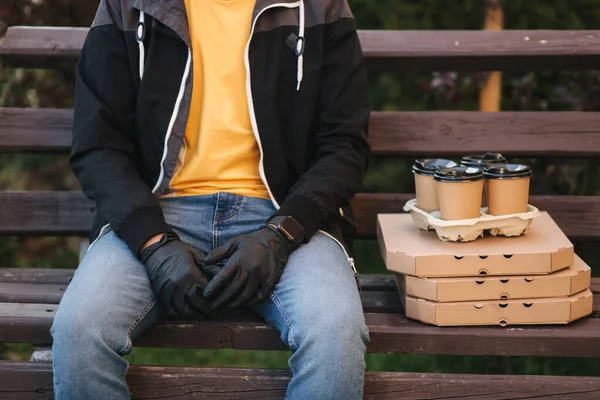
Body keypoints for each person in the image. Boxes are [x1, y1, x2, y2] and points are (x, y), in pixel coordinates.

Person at [50, 0, 371, 398]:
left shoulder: (320, 7)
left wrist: (281, 234)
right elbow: (98, 144)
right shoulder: (129, 5)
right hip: (159, 213)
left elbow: (344, 147)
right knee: (80, 330)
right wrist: (153, 243)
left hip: (282, 214)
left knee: (335, 331)